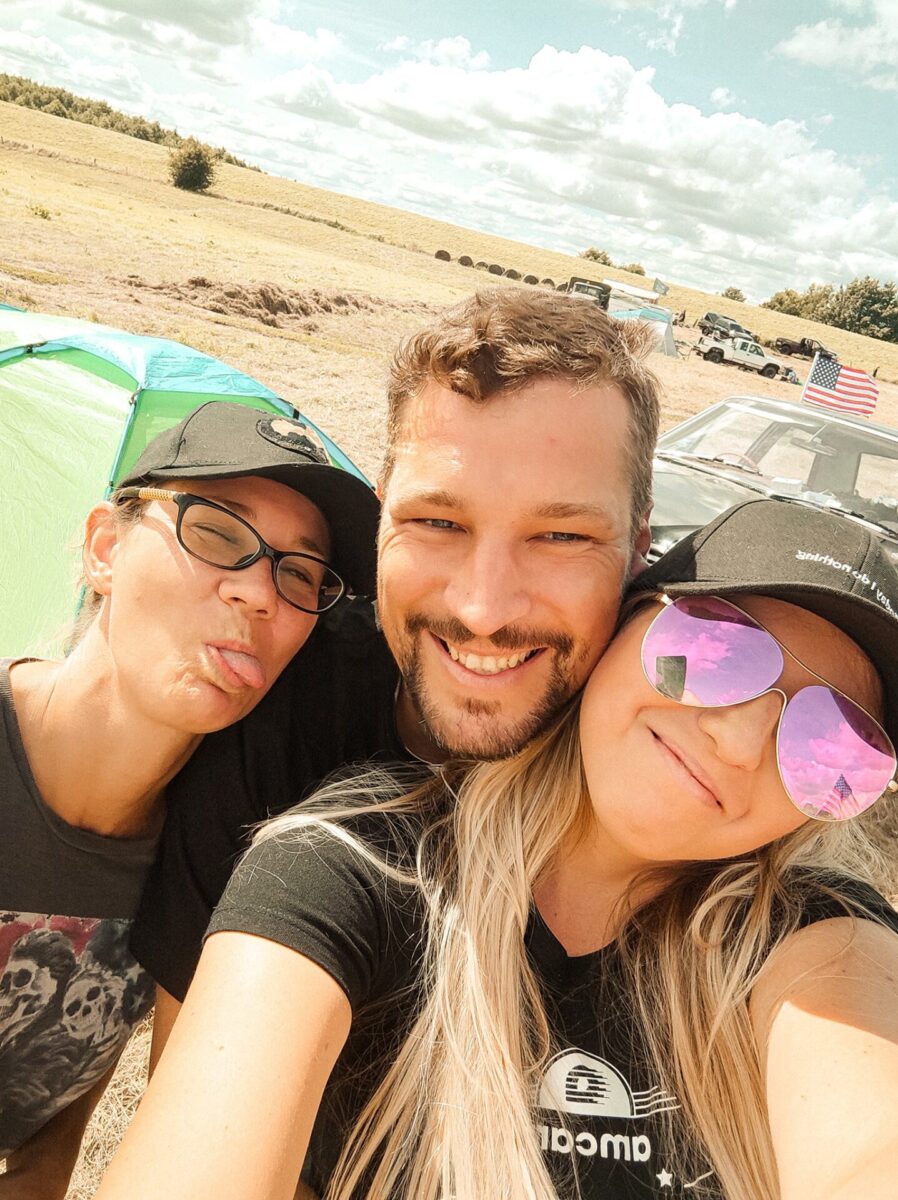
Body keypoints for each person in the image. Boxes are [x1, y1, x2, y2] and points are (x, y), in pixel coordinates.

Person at [97, 498, 898, 1200]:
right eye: (720, 648)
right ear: (620, 624)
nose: (741, 742)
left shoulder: (822, 946)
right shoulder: (351, 866)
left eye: (834, 742)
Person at [128, 288, 663, 1067]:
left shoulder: (673, 754)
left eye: (561, 535)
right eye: (438, 523)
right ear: (381, 521)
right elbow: (189, 1074)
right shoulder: (285, 702)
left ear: (638, 551)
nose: (482, 610)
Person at [0, 400, 379, 1197]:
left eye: (300, 573)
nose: (260, 593)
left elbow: (46, 1134)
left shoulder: (211, 851)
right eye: (216, 532)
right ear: (105, 548)